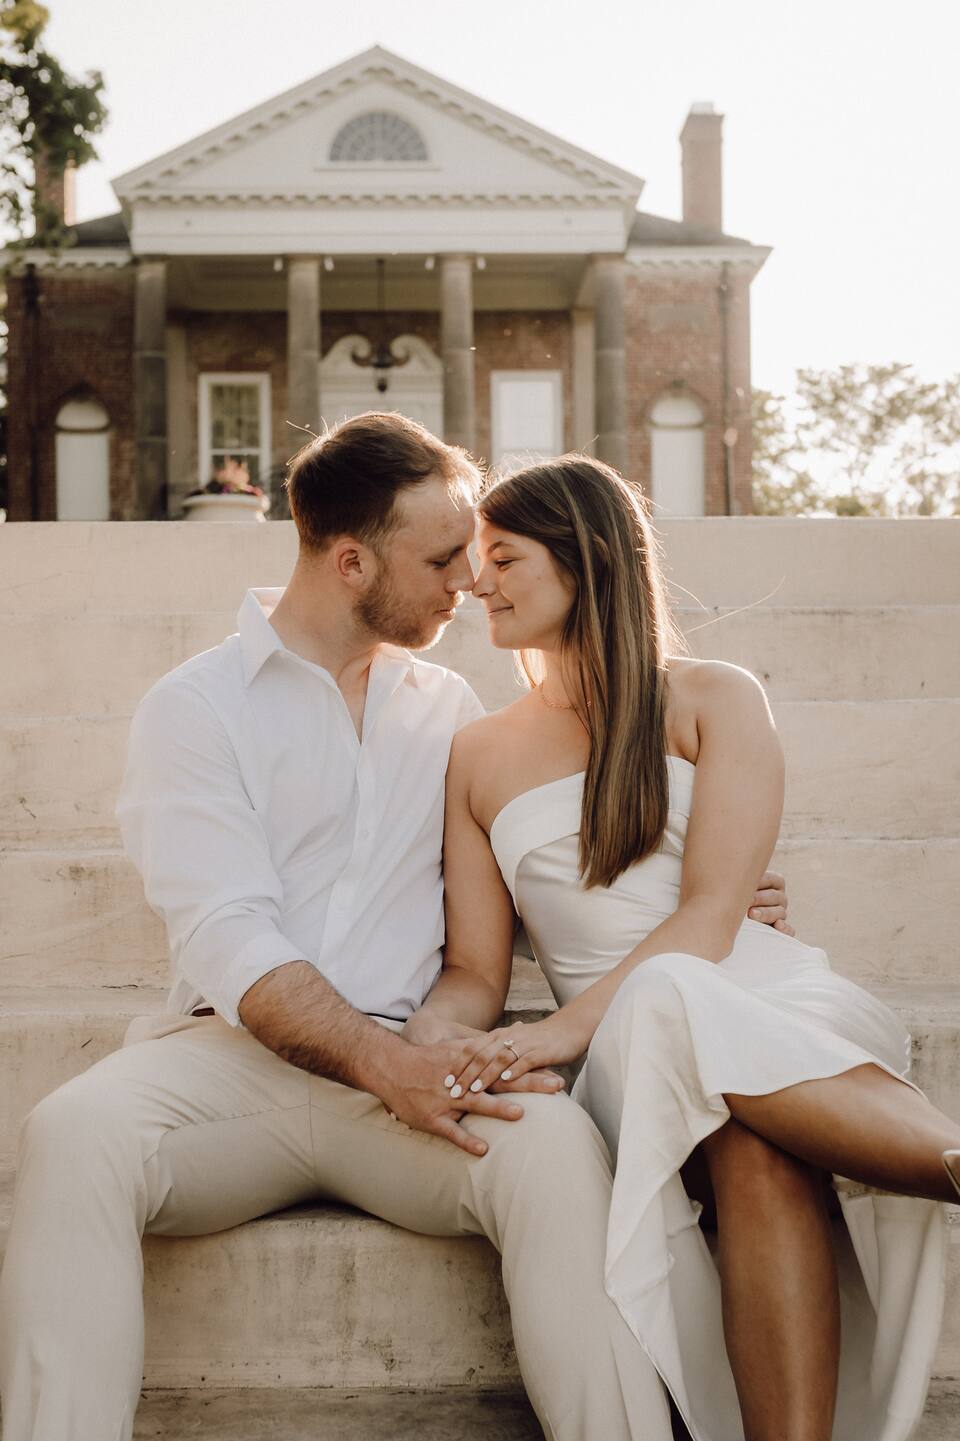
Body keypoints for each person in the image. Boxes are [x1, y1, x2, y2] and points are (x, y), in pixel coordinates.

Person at [0, 414, 795, 1441]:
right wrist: (389, 1062)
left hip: (419, 1060)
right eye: (441, 557)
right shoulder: (192, 709)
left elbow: (510, 909)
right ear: (349, 560)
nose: (469, 580)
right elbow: (234, 940)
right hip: (232, 1065)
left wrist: (708, 889)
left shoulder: (450, 708)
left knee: (555, 1150)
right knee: (72, 1132)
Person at [437, 453, 957, 1441]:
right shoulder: (478, 752)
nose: (477, 583)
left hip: (760, 995)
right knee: (670, 998)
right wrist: (426, 1041)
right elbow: (474, 970)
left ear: (585, 559)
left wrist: (553, 1034)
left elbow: (713, 917)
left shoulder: (717, 697)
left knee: (756, 1143)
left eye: (503, 558)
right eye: (474, 560)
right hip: (622, 1050)